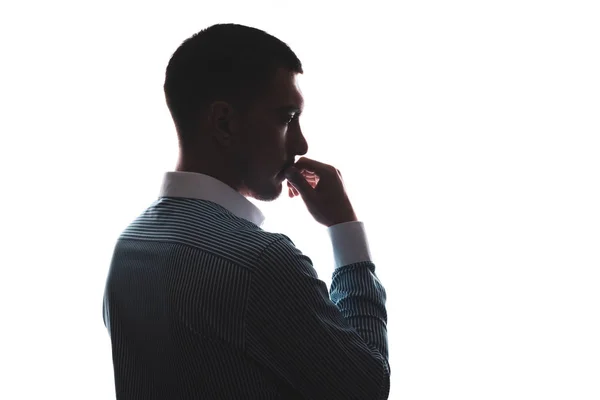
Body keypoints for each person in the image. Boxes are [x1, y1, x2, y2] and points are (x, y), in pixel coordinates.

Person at [102, 23, 390, 399]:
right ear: (224, 122)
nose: (301, 143)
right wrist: (345, 228)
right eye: (286, 118)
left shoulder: (130, 245)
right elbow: (366, 389)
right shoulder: (261, 262)